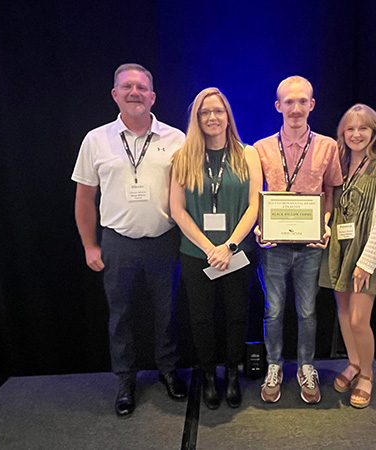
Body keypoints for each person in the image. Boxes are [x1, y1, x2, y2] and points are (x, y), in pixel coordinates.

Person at [72, 63, 187, 417]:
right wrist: (90, 245)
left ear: (152, 96)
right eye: (127, 86)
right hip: (117, 242)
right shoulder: (96, 139)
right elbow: (84, 198)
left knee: (166, 312)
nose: (134, 92)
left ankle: (168, 370)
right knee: (120, 314)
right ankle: (125, 379)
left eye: (141, 87)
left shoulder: (176, 139)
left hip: (164, 240)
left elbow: (188, 194)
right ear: (115, 94)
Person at [170, 88, 262, 409]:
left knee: (237, 316)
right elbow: (177, 209)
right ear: (197, 118)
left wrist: (230, 245)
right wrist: (212, 248)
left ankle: (233, 375)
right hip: (197, 254)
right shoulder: (183, 156)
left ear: (228, 116)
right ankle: (209, 375)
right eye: (205, 112)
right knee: (201, 319)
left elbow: (254, 206)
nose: (212, 117)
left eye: (218, 111)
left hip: (238, 252)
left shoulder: (247, 153)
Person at [253, 76, 343, 404]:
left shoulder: (328, 147)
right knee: (273, 311)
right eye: (288, 102)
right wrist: (259, 228)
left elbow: (330, 190)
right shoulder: (260, 149)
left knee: (307, 311)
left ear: (312, 105)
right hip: (273, 247)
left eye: (302, 101)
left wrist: (326, 223)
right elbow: (254, 199)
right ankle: (274, 366)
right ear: (278, 106)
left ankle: (306, 366)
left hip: (310, 247)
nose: (295, 108)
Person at [319, 104, 376, 408]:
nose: (356, 134)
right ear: (342, 133)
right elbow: (331, 203)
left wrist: (366, 261)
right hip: (341, 247)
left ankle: (366, 374)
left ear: (373, 132)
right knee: (342, 311)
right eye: (350, 129)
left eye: (363, 128)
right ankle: (353, 363)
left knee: (358, 319)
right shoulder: (338, 162)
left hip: (370, 250)